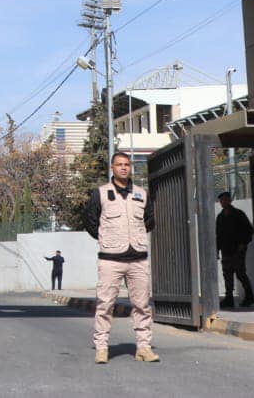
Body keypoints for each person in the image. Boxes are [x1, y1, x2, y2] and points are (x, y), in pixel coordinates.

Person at [85, 152, 159, 364]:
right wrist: (107, 238)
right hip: (110, 259)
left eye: (127, 164)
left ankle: (144, 348)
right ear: (112, 168)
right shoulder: (101, 193)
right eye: (119, 164)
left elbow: (149, 221)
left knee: (142, 305)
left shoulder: (141, 194)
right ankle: (102, 348)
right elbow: (90, 221)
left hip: (138, 259)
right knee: (105, 305)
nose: (124, 168)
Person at [216, 191, 254, 309]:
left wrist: (243, 243)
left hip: (237, 250)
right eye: (221, 200)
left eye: (225, 199)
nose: (223, 202)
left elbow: (249, 230)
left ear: (230, 200)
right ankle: (229, 299)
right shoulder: (220, 217)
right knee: (227, 275)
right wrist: (217, 250)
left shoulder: (238, 214)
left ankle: (249, 296)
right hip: (226, 250)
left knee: (240, 274)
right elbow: (218, 235)